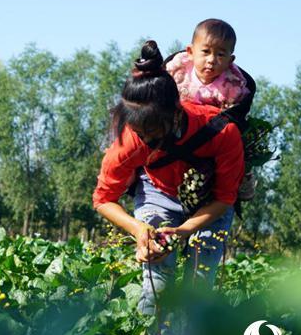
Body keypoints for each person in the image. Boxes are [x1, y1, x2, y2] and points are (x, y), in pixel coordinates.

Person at [93, 40, 244, 315]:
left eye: (152, 131)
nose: (145, 140)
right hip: (157, 193)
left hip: (208, 203)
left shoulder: (222, 132)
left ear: (176, 113)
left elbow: (224, 198)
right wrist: (140, 230)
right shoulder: (131, 140)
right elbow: (103, 199)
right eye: (139, 131)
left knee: (198, 288)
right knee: (157, 284)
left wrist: (185, 231)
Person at [166, 18, 258, 199]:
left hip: (212, 133)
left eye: (220, 55)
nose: (211, 60)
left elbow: (232, 118)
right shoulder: (178, 71)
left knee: (239, 146)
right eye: (206, 52)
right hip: (178, 126)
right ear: (190, 52)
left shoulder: (232, 85)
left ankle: (240, 183)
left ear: (230, 60)